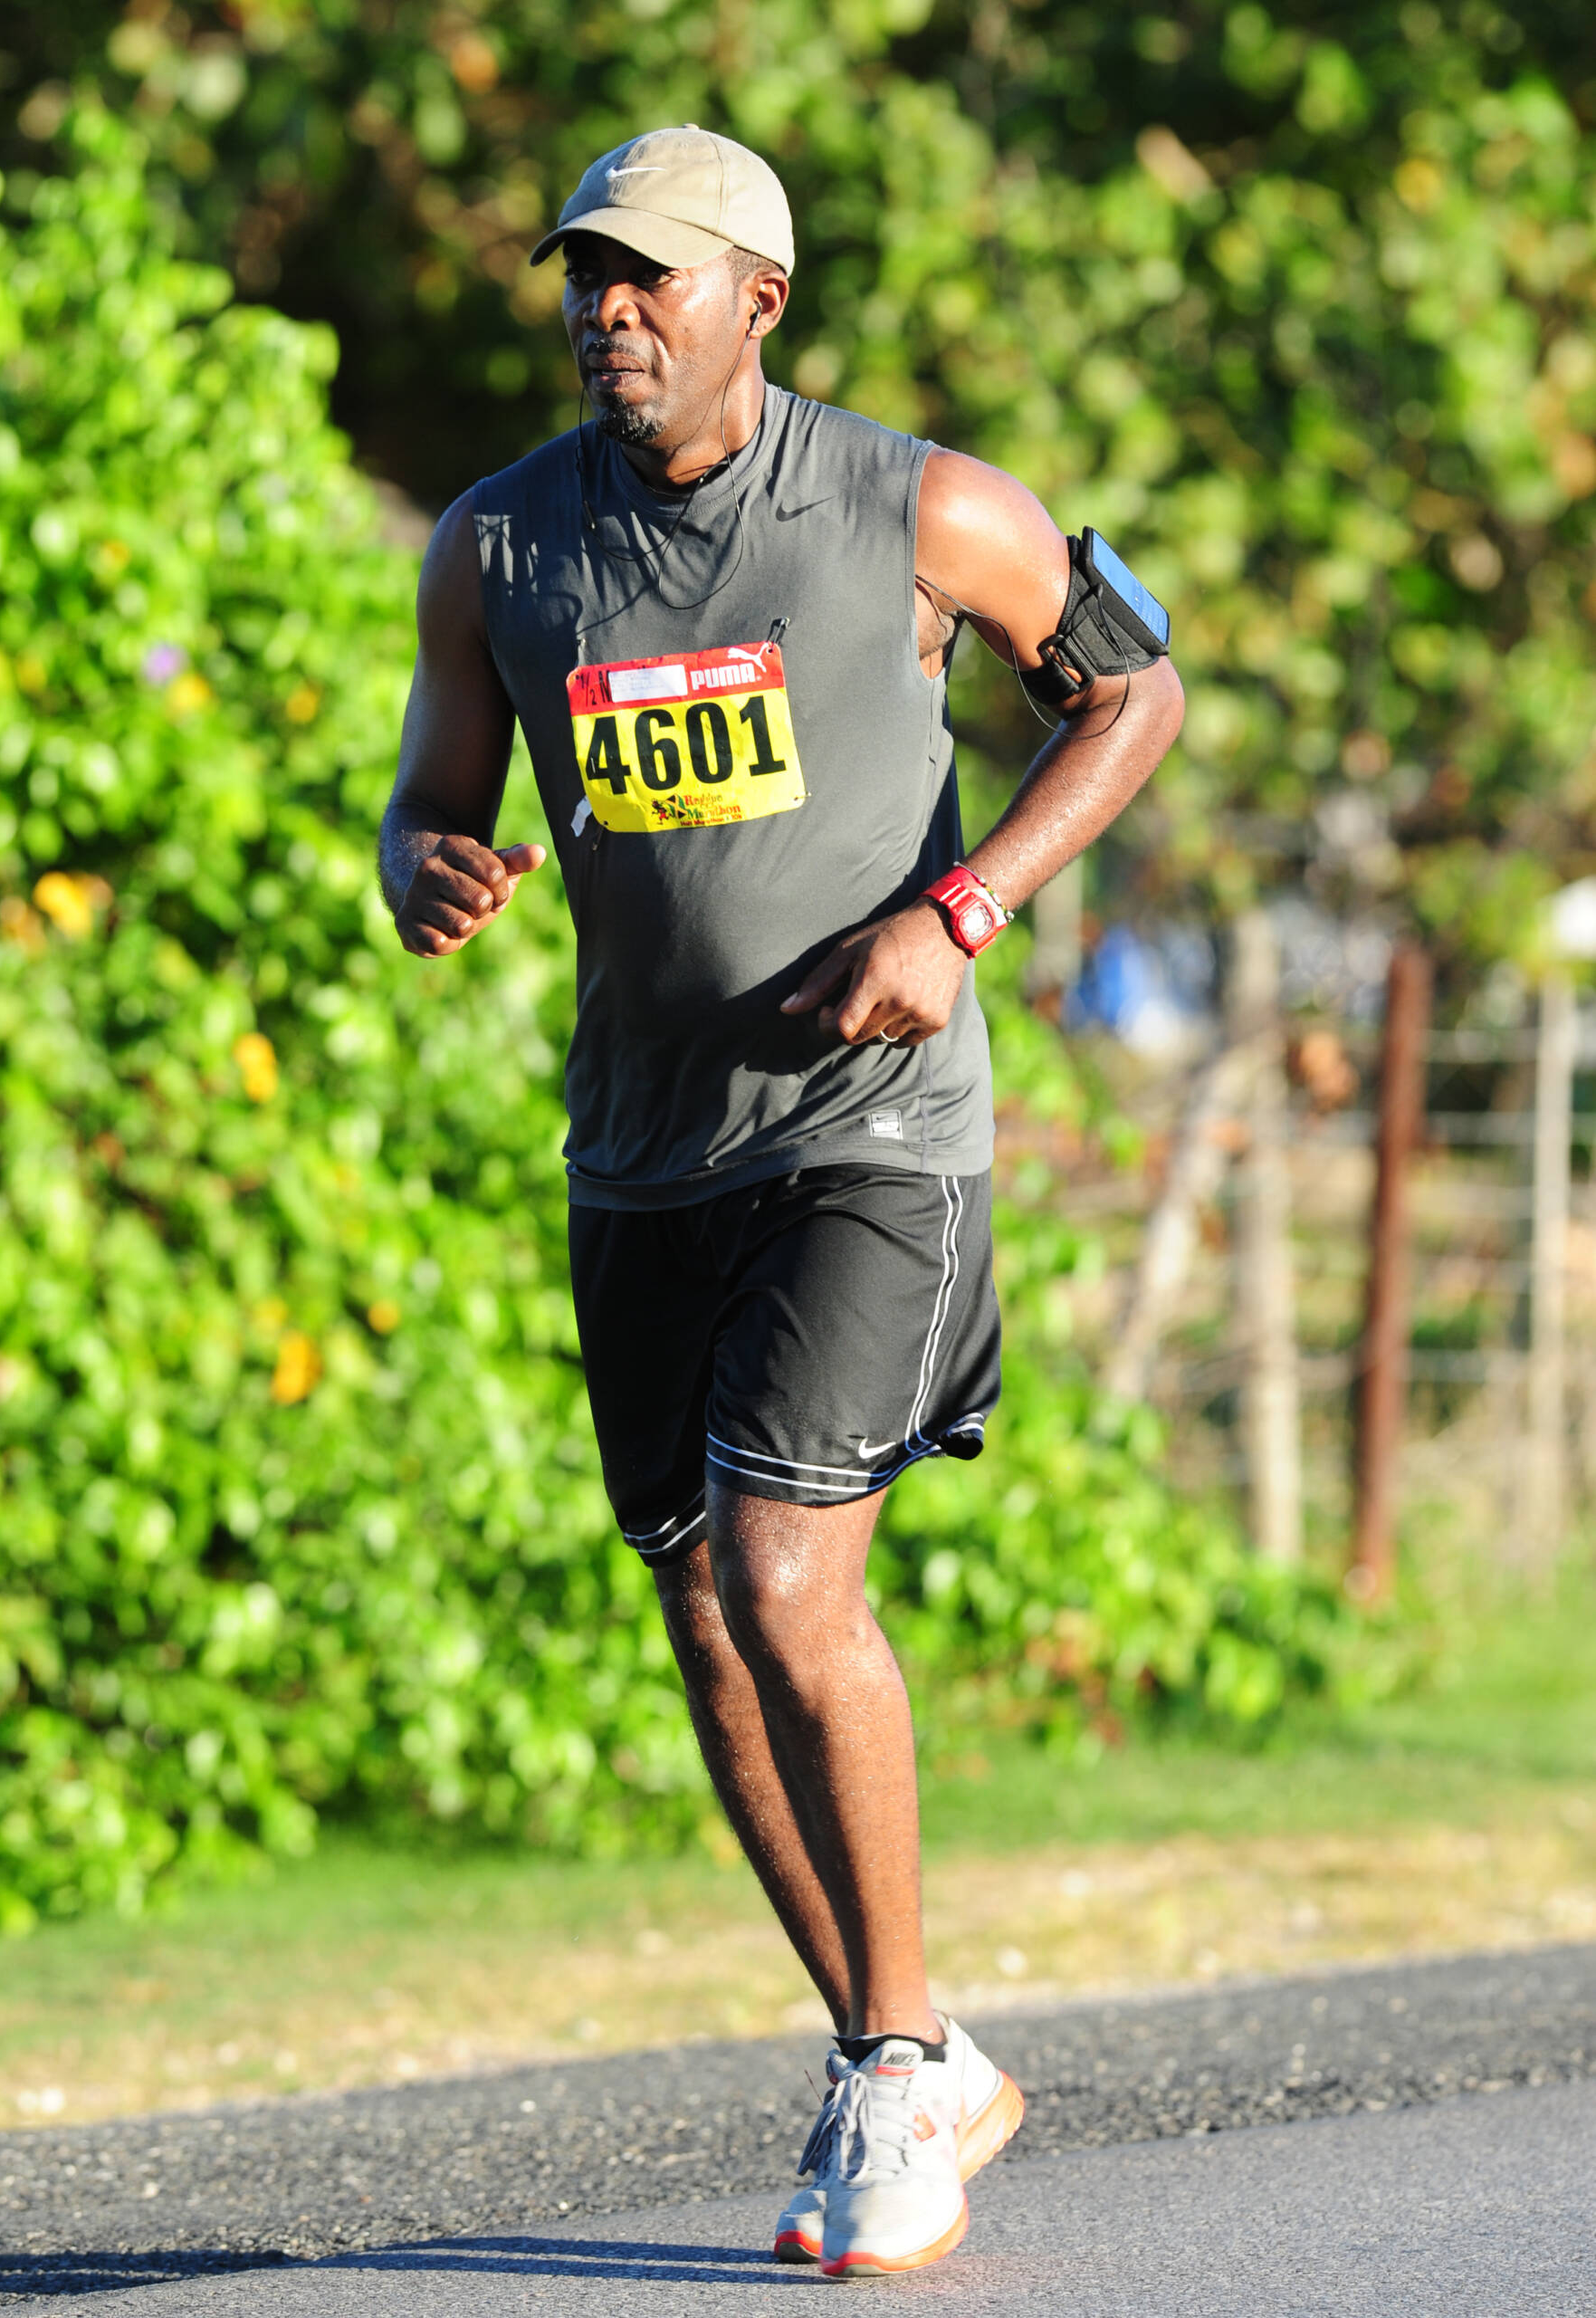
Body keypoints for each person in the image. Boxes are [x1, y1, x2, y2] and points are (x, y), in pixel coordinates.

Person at [378, 124, 1183, 2278]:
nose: (606, 310)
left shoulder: (920, 509)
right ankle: (895, 2050)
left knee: (784, 1567)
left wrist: (961, 910)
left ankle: (897, 2055)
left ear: (759, 300)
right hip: (640, 1143)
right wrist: (421, 864)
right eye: (585, 273)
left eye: (650, 276)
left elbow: (1135, 691)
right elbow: (425, 790)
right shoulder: (495, 546)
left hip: (872, 1127)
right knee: (700, 1609)